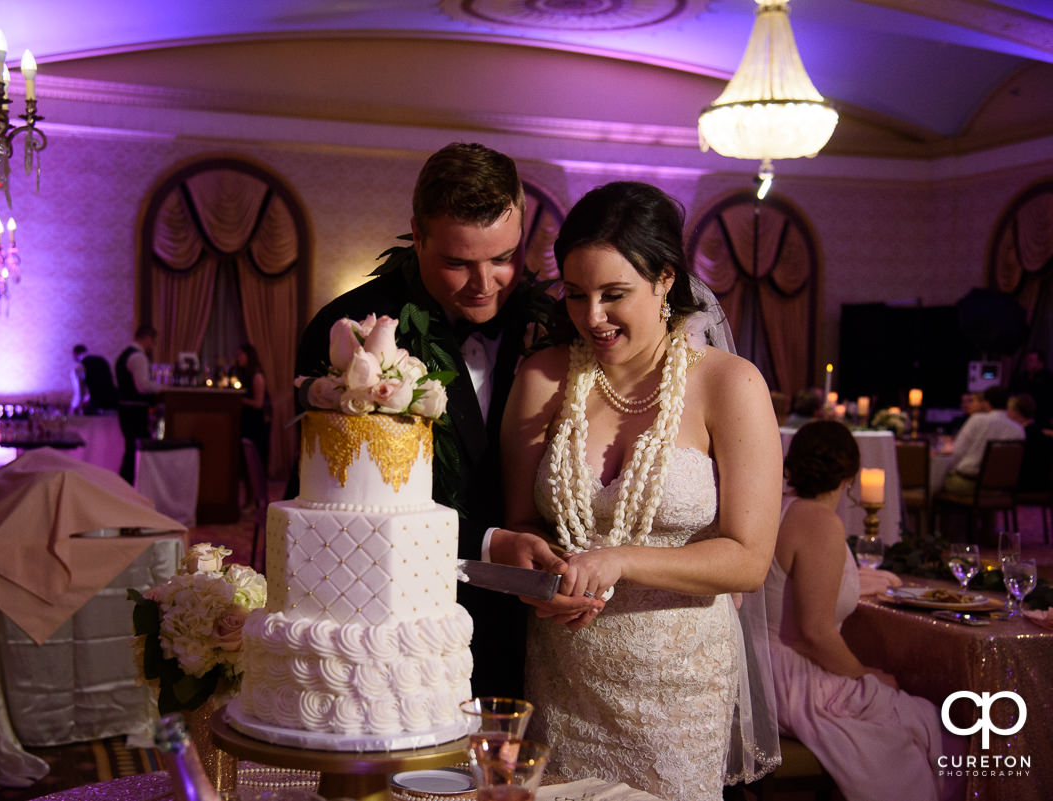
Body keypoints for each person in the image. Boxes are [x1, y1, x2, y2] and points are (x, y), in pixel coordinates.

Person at [494, 182, 782, 799]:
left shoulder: (730, 385)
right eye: (575, 295)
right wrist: (535, 566)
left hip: (677, 687)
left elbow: (749, 559)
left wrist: (618, 559)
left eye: (613, 294)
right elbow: (521, 522)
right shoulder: (542, 377)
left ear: (665, 281)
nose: (591, 316)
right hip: (563, 674)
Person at [293, 142, 559, 698]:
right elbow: (347, 513)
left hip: (540, 628)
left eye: (503, 257)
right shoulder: (349, 335)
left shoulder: (557, 327)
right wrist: (488, 545)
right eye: (458, 263)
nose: (486, 284)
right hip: (398, 629)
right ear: (417, 234)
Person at [767, 420, 963, 801]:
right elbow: (814, 633)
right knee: (931, 724)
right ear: (851, 477)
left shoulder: (779, 508)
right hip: (792, 679)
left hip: (760, 670)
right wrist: (865, 674)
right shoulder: (820, 521)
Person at [941, 384, 1023, 495]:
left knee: (936, 481)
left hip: (970, 484)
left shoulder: (977, 420)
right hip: (1000, 489)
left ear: (986, 403)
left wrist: (947, 469)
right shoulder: (1019, 429)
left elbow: (958, 452)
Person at [116, 325, 161, 483]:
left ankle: (124, 486)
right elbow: (142, 386)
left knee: (130, 449)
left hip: (125, 409)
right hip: (135, 411)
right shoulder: (138, 357)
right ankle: (131, 485)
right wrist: (163, 388)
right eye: (153, 341)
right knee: (136, 450)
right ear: (147, 338)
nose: (153, 345)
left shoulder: (124, 355)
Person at [233, 344, 271, 510]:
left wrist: (240, 400)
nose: (238, 357)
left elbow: (258, 403)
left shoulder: (257, 376)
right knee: (245, 464)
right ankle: (249, 500)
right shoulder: (242, 375)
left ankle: (257, 501)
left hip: (256, 425)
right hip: (247, 423)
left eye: (241, 354)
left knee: (255, 464)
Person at [1007, 392, 1053, 492]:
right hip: (1043, 485)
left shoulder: (1021, 435)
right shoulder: (1042, 433)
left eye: (1008, 409)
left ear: (1016, 412)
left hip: (1024, 485)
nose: (1007, 413)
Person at [70, 344, 118, 415]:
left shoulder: (79, 368)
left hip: (97, 405)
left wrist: (72, 409)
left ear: (75, 354)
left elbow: (79, 393)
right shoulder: (102, 360)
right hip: (114, 402)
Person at [1010, 349, 1053, 428]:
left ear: (1040, 363)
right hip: (1022, 418)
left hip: (1043, 417)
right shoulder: (1022, 378)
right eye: (1027, 360)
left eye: (1030, 360)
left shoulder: (1049, 379)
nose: (1027, 363)